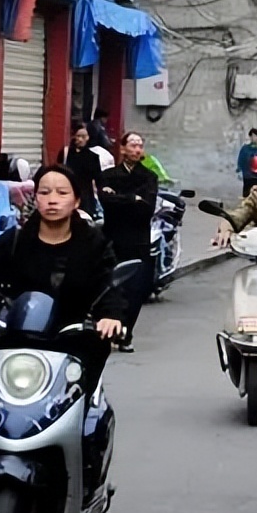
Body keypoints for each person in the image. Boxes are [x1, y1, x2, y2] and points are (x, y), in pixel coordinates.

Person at [0, 164, 125, 342]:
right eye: (44, 192)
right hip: (16, 338)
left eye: (62, 193)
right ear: (36, 198)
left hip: (73, 340)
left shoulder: (94, 244)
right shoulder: (15, 241)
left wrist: (110, 316)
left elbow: (109, 286)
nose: (52, 200)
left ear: (76, 201)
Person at [98, 132, 158, 352]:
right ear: (122, 149)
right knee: (111, 287)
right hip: (113, 238)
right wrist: (132, 198)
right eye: (132, 145)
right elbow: (107, 203)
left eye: (140, 145)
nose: (137, 149)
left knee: (135, 289)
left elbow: (147, 209)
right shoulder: (108, 175)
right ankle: (111, 328)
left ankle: (126, 332)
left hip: (138, 240)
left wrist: (120, 198)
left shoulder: (149, 177)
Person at [59, 122, 103, 216]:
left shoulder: (93, 157)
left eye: (83, 136)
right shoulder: (66, 153)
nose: (80, 139)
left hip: (85, 196)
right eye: (78, 136)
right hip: (67, 192)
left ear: (88, 138)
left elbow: (98, 179)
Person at [237, 128, 257, 197]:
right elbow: (240, 160)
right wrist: (239, 169)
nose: (253, 138)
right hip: (247, 176)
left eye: (255, 136)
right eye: (252, 136)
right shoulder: (245, 148)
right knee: (247, 194)